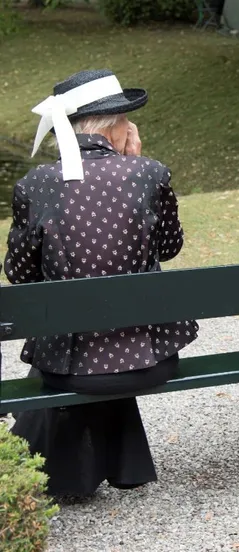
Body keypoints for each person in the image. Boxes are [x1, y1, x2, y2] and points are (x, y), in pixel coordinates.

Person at [5, 69, 198, 497]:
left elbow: (19, 274)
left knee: (82, 351)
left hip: (70, 368)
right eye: (128, 119)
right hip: (151, 360)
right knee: (110, 347)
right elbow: (169, 247)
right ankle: (119, 466)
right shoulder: (149, 173)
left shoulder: (34, 185)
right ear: (116, 128)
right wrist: (135, 166)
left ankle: (53, 469)